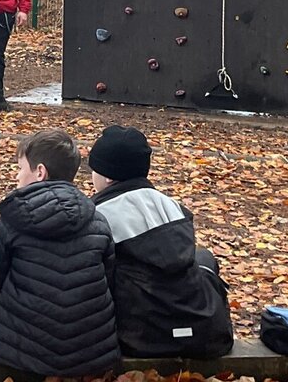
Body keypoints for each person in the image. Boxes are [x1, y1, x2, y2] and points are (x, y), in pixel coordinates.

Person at [89, 124, 234, 358]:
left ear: (107, 175)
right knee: (203, 257)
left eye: (93, 169)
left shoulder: (99, 215)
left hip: (138, 336)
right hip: (200, 330)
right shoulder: (173, 208)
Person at [0, 129, 122, 377]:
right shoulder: (98, 220)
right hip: (90, 349)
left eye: (20, 169)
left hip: (23, 349)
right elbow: (109, 279)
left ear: (40, 172)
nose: (17, 177)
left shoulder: (11, 222)